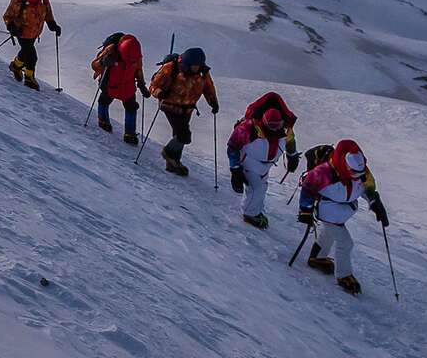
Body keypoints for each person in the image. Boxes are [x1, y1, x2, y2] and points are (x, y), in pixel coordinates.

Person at [296, 138, 389, 296]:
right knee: (345, 243)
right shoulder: (325, 172)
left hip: (341, 212)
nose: (358, 175)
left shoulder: (359, 172)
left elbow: (365, 188)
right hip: (328, 211)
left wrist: (375, 203)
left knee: (328, 235)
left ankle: (317, 257)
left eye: (361, 172)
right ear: (345, 165)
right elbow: (308, 187)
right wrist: (305, 210)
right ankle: (344, 275)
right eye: (354, 172)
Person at [147, 46, 218, 175]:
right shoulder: (171, 67)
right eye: (194, 65)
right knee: (183, 135)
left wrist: (213, 102)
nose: (196, 68)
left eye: (198, 65)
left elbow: (208, 87)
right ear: (187, 62)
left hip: (187, 108)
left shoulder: (202, 72)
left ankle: (173, 163)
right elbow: (153, 86)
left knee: (178, 134)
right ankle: (168, 152)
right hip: (169, 105)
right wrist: (160, 93)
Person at [227, 98, 298, 228]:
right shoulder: (248, 127)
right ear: (264, 122)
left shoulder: (285, 129)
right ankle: (250, 214)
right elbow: (232, 147)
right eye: (272, 126)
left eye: (277, 125)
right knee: (256, 188)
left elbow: (290, 141)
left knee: (261, 187)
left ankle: (255, 210)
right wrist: (235, 169)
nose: (275, 129)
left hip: (265, 166)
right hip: (250, 163)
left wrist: (292, 156)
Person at [0, 0, 61, 91]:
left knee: (25, 52)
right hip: (21, 32)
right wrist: (11, 27)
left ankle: (16, 66)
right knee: (32, 55)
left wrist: (53, 25)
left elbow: (47, 13)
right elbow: (8, 16)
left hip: (33, 33)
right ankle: (29, 77)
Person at [89, 33, 150, 140]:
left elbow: (138, 69)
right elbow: (95, 65)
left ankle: (129, 133)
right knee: (105, 100)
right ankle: (104, 121)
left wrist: (142, 85)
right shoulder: (111, 50)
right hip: (111, 84)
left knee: (131, 107)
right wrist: (103, 62)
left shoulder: (135, 52)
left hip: (126, 86)